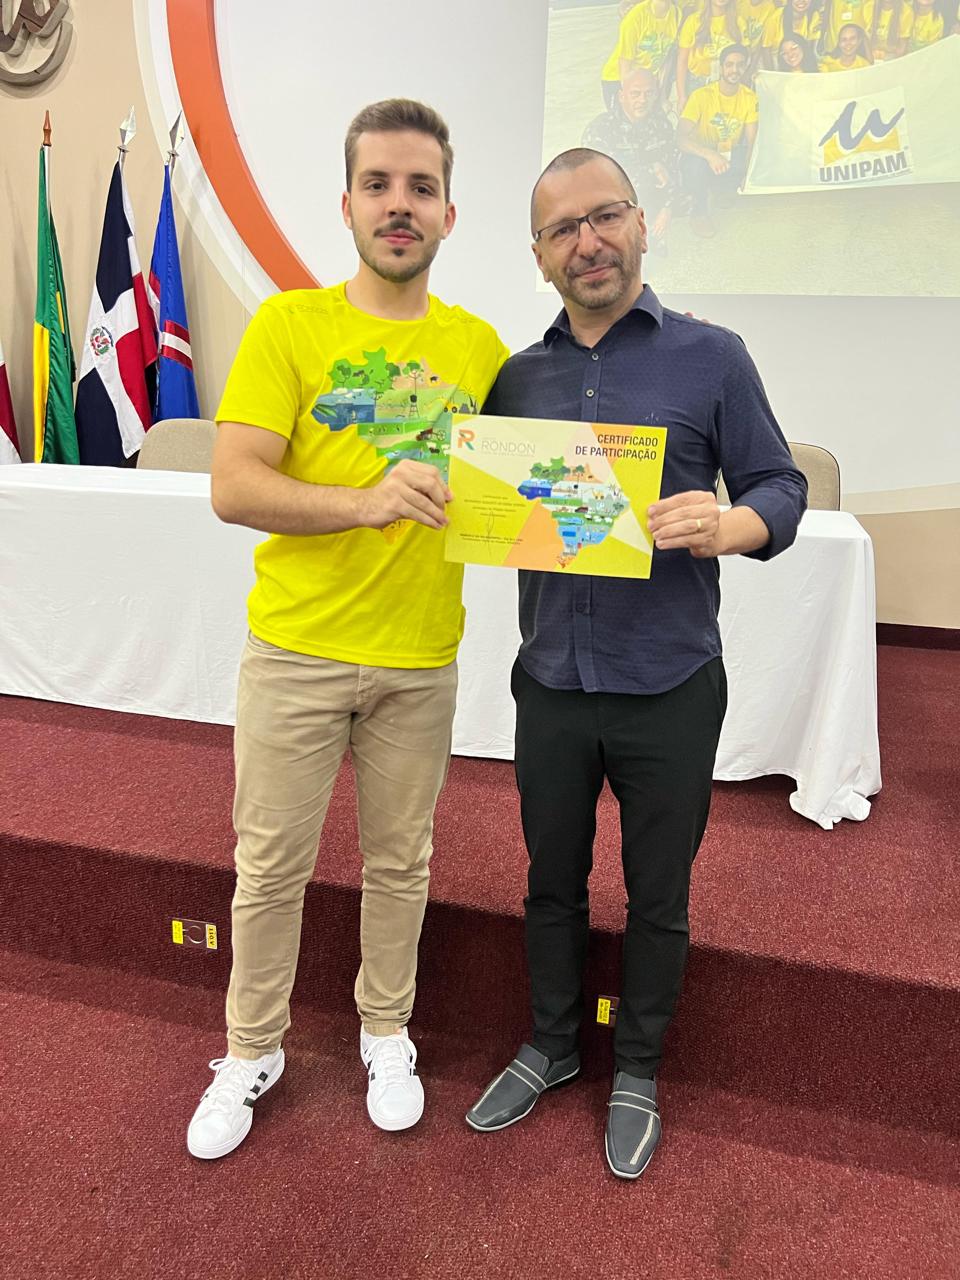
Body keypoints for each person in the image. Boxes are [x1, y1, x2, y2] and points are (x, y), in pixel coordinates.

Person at [464, 146, 806, 1179]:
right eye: (562, 229)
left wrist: (729, 522)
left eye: (605, 215)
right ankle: (554, 1043)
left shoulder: (713, 356)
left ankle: (640, 1068)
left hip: (670, 683)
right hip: (551, 682)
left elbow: (782, 486)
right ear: (539, 255)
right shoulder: (514, 378)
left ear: (642, 223)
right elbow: (485, 499)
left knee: (659, 894)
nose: (589, 242)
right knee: (550, 882)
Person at [186, 98, 507, 1160]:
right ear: (348, 204)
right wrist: (365, 502)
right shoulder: (290, 326)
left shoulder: (481, 349)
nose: (399, 206)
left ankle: (385, 1032)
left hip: (420, 657)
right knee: (269, 867)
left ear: (449, 214)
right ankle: (250, 1049)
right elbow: (234, 484)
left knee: (400, 863)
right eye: (379, 185)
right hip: (296, 651)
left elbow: (525, 492)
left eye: (421, 188)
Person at [582, 67, 679, 251]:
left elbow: (673, 169)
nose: (642, 100)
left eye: (648, 93)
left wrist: (667, 209)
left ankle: (649, 233)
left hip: (649, 199)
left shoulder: (661, 125)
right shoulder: (600, 129)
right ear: (621, 96)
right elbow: (598, 180)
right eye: (635, 94)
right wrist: (651, 168)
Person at [677, 45, 758, 238]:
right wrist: (710, 155)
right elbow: (679, 138)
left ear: (746, 67)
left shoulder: (749, 97)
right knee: (695, 166)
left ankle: (721, 187)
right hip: (701, 154)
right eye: (729, 65)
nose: (734, 70)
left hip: (727, 154)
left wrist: (749, 174)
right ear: (721, 67)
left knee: (750, 158)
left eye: (740, 65)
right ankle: (699, 212)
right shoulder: (701, 96)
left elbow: (752, 142)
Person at [676, 0, 744, 111]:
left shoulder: (739, 22)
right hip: (696, 83)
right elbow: (682, 60)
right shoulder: (694, 20)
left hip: (725, 84)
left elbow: (743, 59)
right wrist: (681, 96)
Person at [617, 0, 683, 89]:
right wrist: (626, 90)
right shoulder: (636, 15)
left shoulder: (677, 15)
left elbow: (666, 56)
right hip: (619, 79)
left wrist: (661, 91)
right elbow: (625, 62)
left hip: (649, 81)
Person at [761, 0, 824, 68]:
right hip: (775, 63)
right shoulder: (776, 17)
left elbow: (808, 50)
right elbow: (766, 50)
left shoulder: (813, 16)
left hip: (798, 63)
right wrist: (772, 73)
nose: (801, 1)